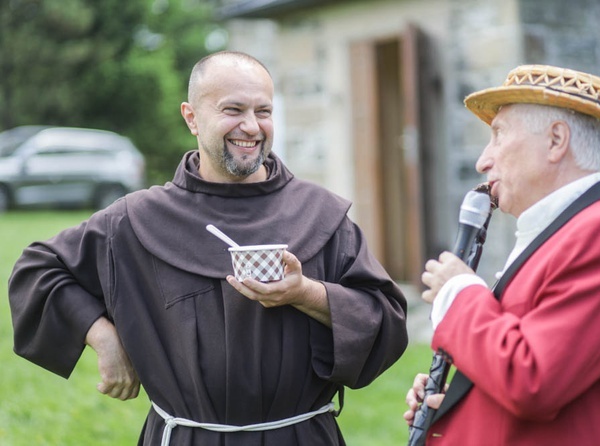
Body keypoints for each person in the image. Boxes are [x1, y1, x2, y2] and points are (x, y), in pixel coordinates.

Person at [8, 50, 408, 445]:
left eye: (264, 112)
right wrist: (102, 337)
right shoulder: (136, 219)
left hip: (301, 436)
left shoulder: (320, 213)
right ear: (191, 118)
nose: (251, 126)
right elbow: (38, 270)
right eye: (233, 110)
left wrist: (308, 294)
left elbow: (385, 319)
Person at [404, 64, 600, 445]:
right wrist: (462, 401)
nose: (483, 160)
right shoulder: (564, 234)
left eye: (498, 135)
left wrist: (460, 294)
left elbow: (532, 379)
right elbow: (535, 364)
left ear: (555, 140)